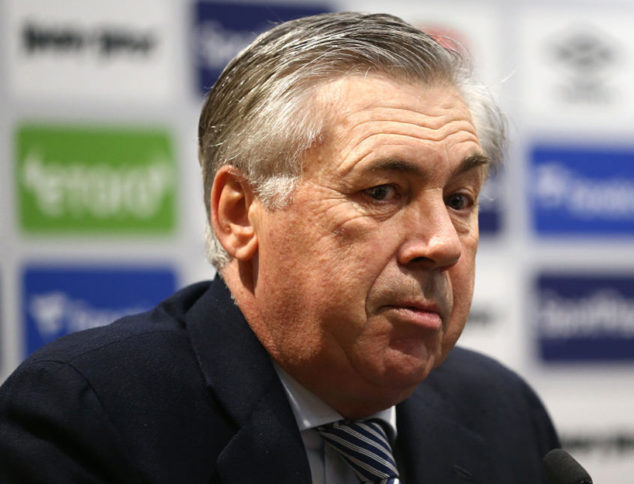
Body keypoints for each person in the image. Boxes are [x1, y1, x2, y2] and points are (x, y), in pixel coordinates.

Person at [0, 12, 559, 483]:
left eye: (460, 199)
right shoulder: (87, 415)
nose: (441, 243)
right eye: (382, 191)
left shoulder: (504, 413)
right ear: (239, 214)